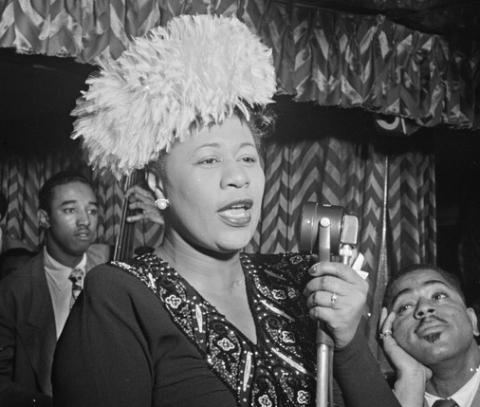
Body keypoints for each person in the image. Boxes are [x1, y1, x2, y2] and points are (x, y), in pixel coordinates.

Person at [52, 14, 403, 407]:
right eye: (208, 161)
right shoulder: (119, 295)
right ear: (157, 185)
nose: (238, 177)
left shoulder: (299, 281)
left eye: (248, 158)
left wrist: (350, 342)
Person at [0, 170, 103, 407]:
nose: (85, 220)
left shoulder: (115, 276)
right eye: (70, 210)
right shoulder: (12, 291)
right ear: (44, 218)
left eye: (92, 210)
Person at [379, 264, 480, 407]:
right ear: (390, 333)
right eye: (406, 306)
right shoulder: (377, 398)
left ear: (472, 320)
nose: (424, 308)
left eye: (439, 296)